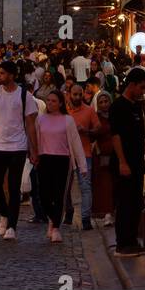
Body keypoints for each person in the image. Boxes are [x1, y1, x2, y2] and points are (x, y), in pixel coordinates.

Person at [0, 60, 38, 240]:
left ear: (12, 75)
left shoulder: (24, 96)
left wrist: (34, 150)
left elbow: (30, 125)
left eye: (2, 73)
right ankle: (4, 213)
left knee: (13, 186)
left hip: (17, 146)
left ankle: (12, 225)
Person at [36, 89, 87, 243]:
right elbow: (35, 139)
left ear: (60, 103)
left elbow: (76, 143)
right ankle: (52, 217)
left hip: (62, 161)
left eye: (54, 101)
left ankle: (56, 227)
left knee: (59, 195)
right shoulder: (41, 119)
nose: (50, 103)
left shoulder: (67, 120)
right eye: (49, 101)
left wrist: (82, 166)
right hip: (44, 159)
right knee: (44, 196)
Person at [109, 67, 145, 256]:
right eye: (141, 88)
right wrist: (122, 162)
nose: (143, 92)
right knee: (125, 202)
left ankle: (132, 239)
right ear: (132, 85)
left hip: (137, 160)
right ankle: (123, 242)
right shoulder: (118, 106)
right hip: (124, 162)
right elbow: (115, 135)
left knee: (136, 202)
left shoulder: (136, 105)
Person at [65, 83, 99, 229]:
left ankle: (85, 218)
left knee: (85, 187)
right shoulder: (64, 111)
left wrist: (86, 131)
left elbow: (98, 127)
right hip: (65, 154)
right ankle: (68, 212)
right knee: (65, 187)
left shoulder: (89, 111)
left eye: (80, 94)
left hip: (84, 154)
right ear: (69, 94)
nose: (78, 97)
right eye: (75, 94)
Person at [91, 91, 115, 225]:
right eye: (101, 102)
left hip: (115, 153)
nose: (104, 104)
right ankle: (107, 213)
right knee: (105, 185)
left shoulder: (115, 116)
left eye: (106, 101)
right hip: (102, 155)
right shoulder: (96, 118)